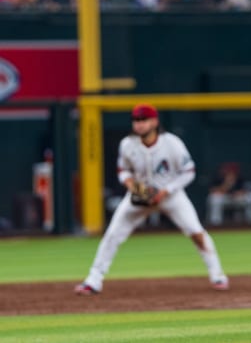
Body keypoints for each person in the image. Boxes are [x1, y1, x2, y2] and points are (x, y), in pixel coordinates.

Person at [74, 104, 229, 295]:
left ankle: (217, 275)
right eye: (136, 120)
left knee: (196, 232)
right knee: (112, 235)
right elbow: (123, 170)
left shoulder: (172, 143)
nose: (139, 124)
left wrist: (165, 191)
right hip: (140, 196)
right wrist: (133, 187)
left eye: (143, 120)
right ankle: (93, 280)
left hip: (170, 195)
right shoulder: (127, 144)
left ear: (154, 122)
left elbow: (188, 172)